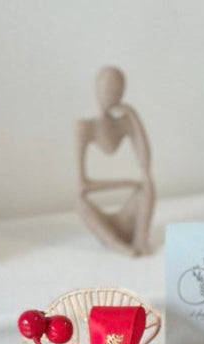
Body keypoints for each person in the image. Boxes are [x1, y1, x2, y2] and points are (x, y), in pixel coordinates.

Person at [75, 66, 155, 255]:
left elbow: (146, 165)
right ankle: (117, 245)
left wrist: (134, 117)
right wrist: (126, 182)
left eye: (116, 91)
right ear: (96, 90)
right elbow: (82, 186)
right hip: (103, 222)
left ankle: (140, 239)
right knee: (79, 203)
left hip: (125, 218)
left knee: (149, 185)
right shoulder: (84, 127)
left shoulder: (124, 123)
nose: (110, 95)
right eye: (106, 89)